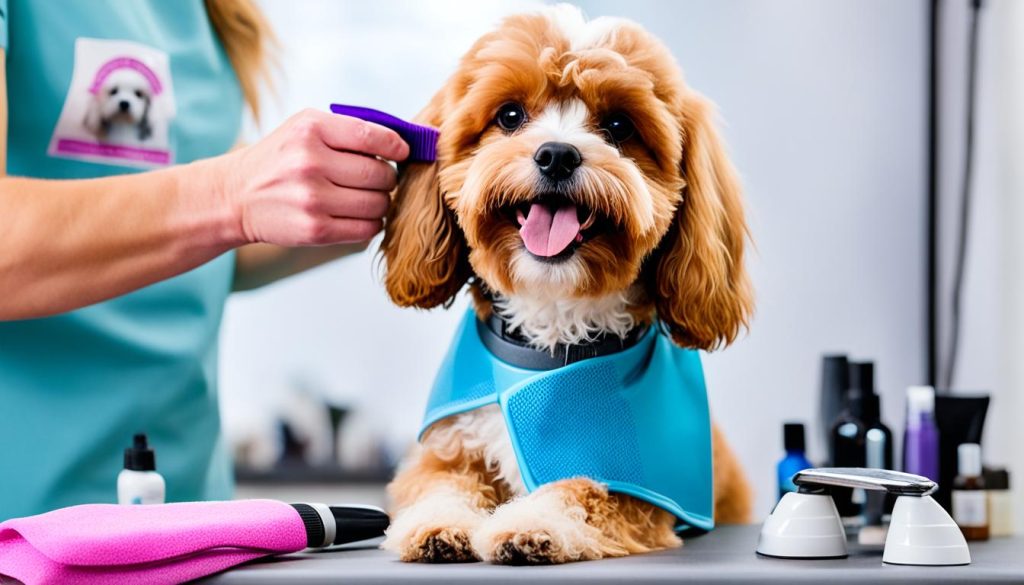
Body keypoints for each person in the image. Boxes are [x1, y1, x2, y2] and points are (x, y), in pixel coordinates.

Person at [0, 0, 410, 520]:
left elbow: (197, 251)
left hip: (190, 516)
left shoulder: (205, 13)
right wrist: (231, 193)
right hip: (25, 529)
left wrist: (394, 196)